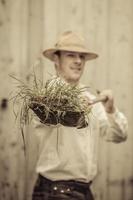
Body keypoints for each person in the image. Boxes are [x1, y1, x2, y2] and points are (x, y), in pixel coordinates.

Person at [32, 31, 128, 200]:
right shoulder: (47, 96)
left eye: (82, 57)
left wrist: (111, 110)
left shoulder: (91, 99)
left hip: (85, 191)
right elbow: (53, 118)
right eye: (71, 55)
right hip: (55, 192)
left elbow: (119, 136)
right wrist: (73, 107)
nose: (78, 61)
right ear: (56, 59)